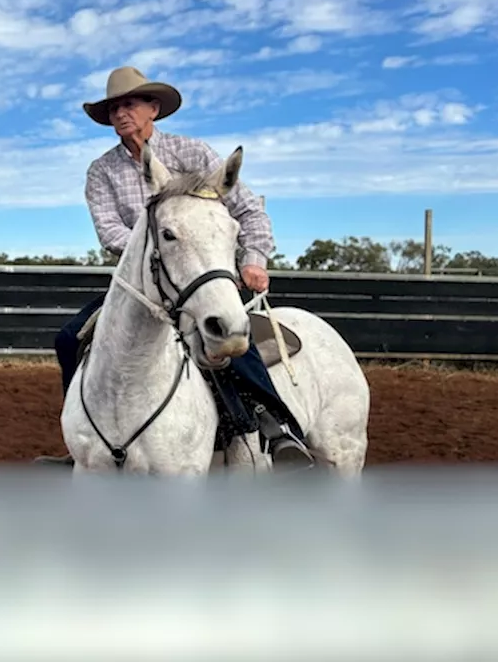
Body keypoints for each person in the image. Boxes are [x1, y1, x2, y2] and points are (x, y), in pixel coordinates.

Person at [39, 66, 313, 469]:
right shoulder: (102, 171)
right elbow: (111, 232)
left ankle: (273, 423)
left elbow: (248, 210)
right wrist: (158, 245)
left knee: (231, 335)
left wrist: (253, 259)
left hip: (197, 276)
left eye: (129, 103)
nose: (120, 113)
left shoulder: (193, 154)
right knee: (68, 339)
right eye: (113, 107)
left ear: (153, 107)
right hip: (138, 284)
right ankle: (84, 438)